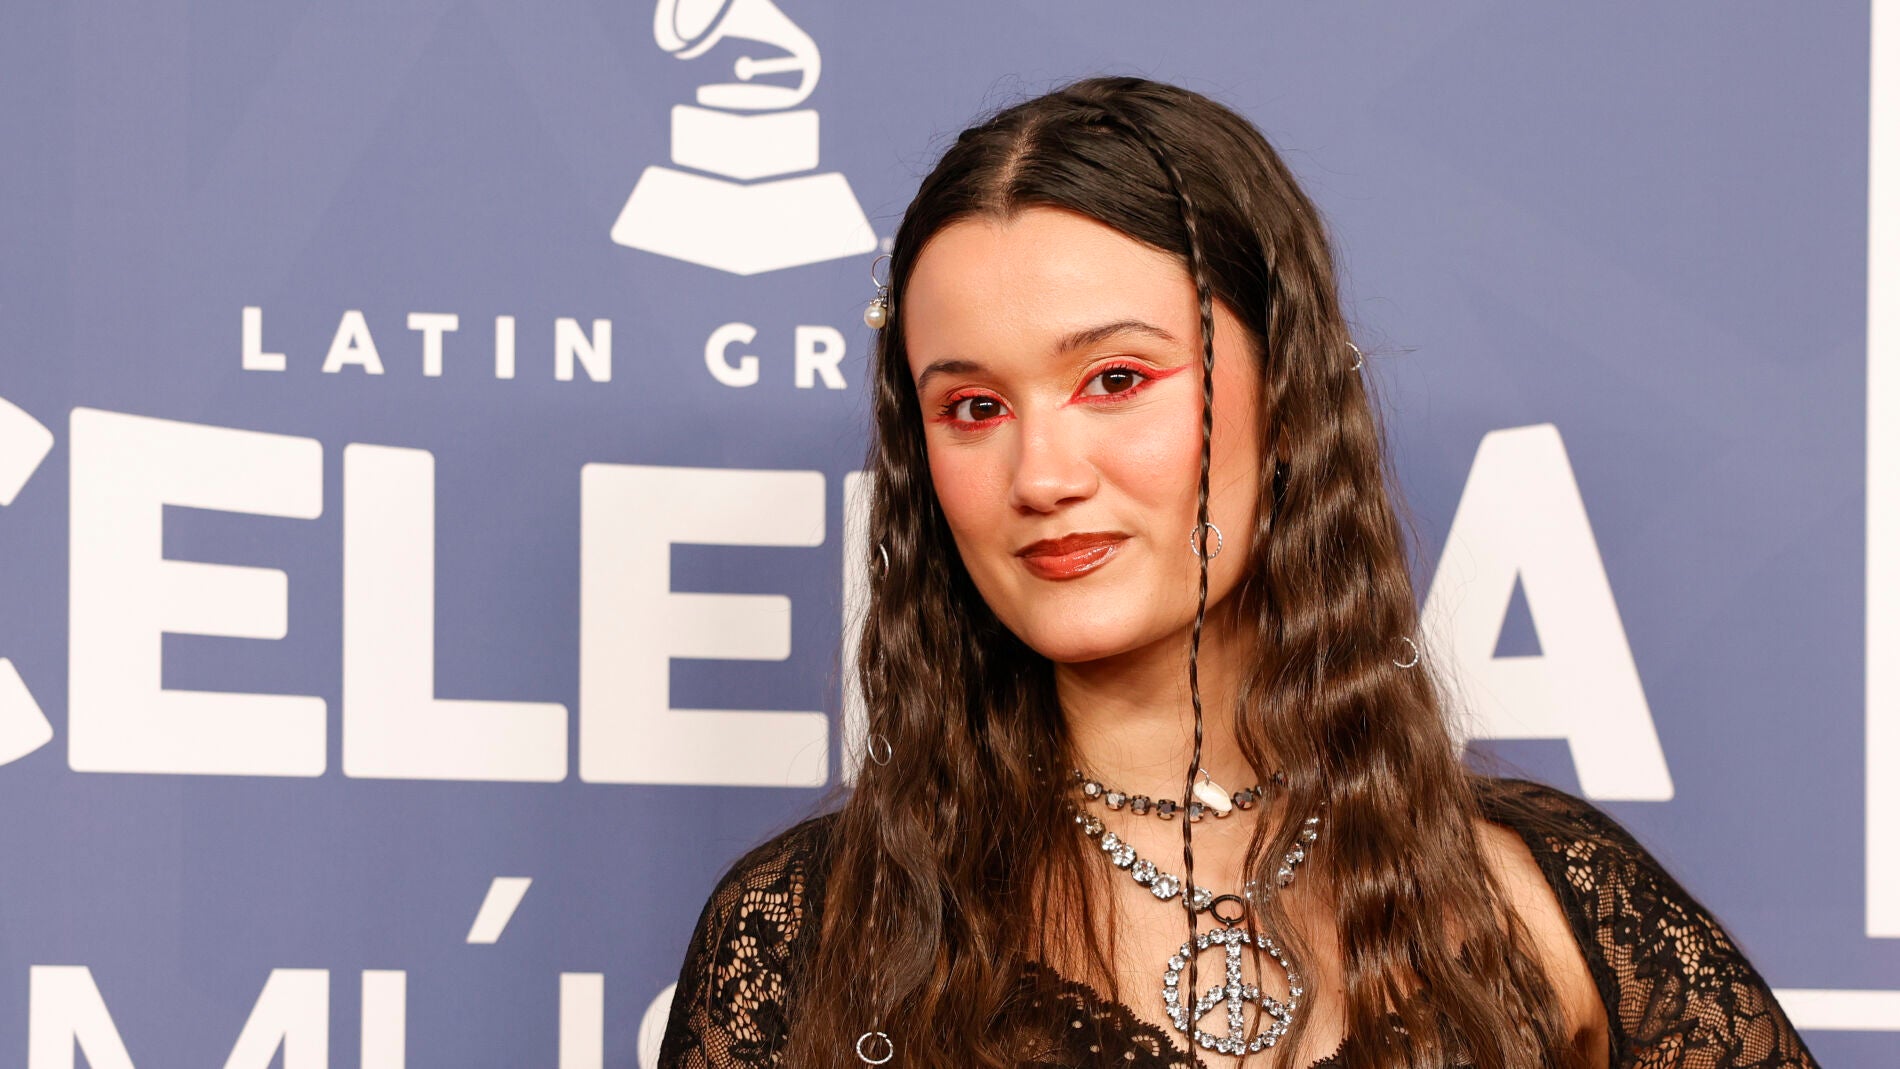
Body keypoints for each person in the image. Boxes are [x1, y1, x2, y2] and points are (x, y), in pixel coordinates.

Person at [655, 76, 1818, 1069]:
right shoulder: (815, 937)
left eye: (1116, 379)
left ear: (1289, 392)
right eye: (971, 406)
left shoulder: (1536, 900)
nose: (1042, 472)